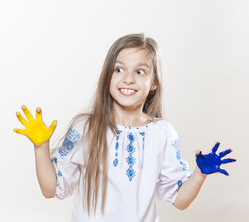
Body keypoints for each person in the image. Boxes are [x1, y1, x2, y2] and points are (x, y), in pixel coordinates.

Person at [14, 33, 236, 221]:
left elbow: (179, 201)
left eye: (140, 71)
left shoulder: (162, 133)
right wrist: (41, 147)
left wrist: (199, 175)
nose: (128, 79)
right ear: (107, 76)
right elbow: (50, 189)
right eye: (119, 69)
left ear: (154, 82)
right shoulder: (86, 128)